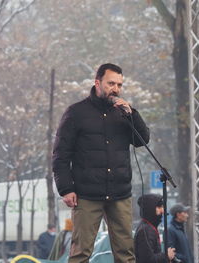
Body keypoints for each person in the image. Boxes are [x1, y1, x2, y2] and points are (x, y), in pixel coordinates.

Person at [52, 63, 150, 263]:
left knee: (126, 253)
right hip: (87, 194)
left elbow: (142, 140)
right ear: (97, 83)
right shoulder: (76, 113)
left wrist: (132, 114)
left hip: (119, 193)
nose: (116, 89)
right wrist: (65, 189)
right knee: (81, 253)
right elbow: (61, 154)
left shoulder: (123, 113)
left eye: (119, 85)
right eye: (111, 83)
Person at [134, 194, 176, 263]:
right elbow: (147, 260)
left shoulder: (148, 227)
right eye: (159, 207)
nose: (162, 210)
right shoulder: (146, 230)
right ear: (150, 208)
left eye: (162, 207)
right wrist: (166, 256)